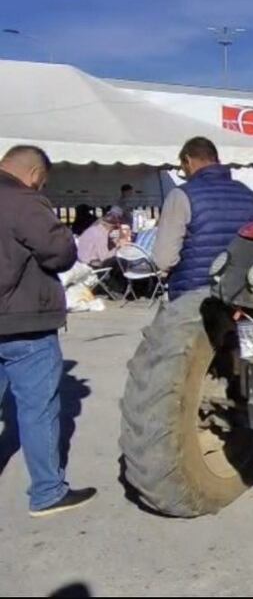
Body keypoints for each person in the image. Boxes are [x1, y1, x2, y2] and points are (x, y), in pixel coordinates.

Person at [0, 145, 96, 517]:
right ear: (36, 174)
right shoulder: (24, 202)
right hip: (24, 320)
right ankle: (47, 492)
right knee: (37, 408)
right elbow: (60, 252)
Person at [153, 137, 253, 298]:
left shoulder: (181, 195)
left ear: (188, 161)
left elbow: (164, 259)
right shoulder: (251, 196)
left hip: (194, 296)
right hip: (240, 296)